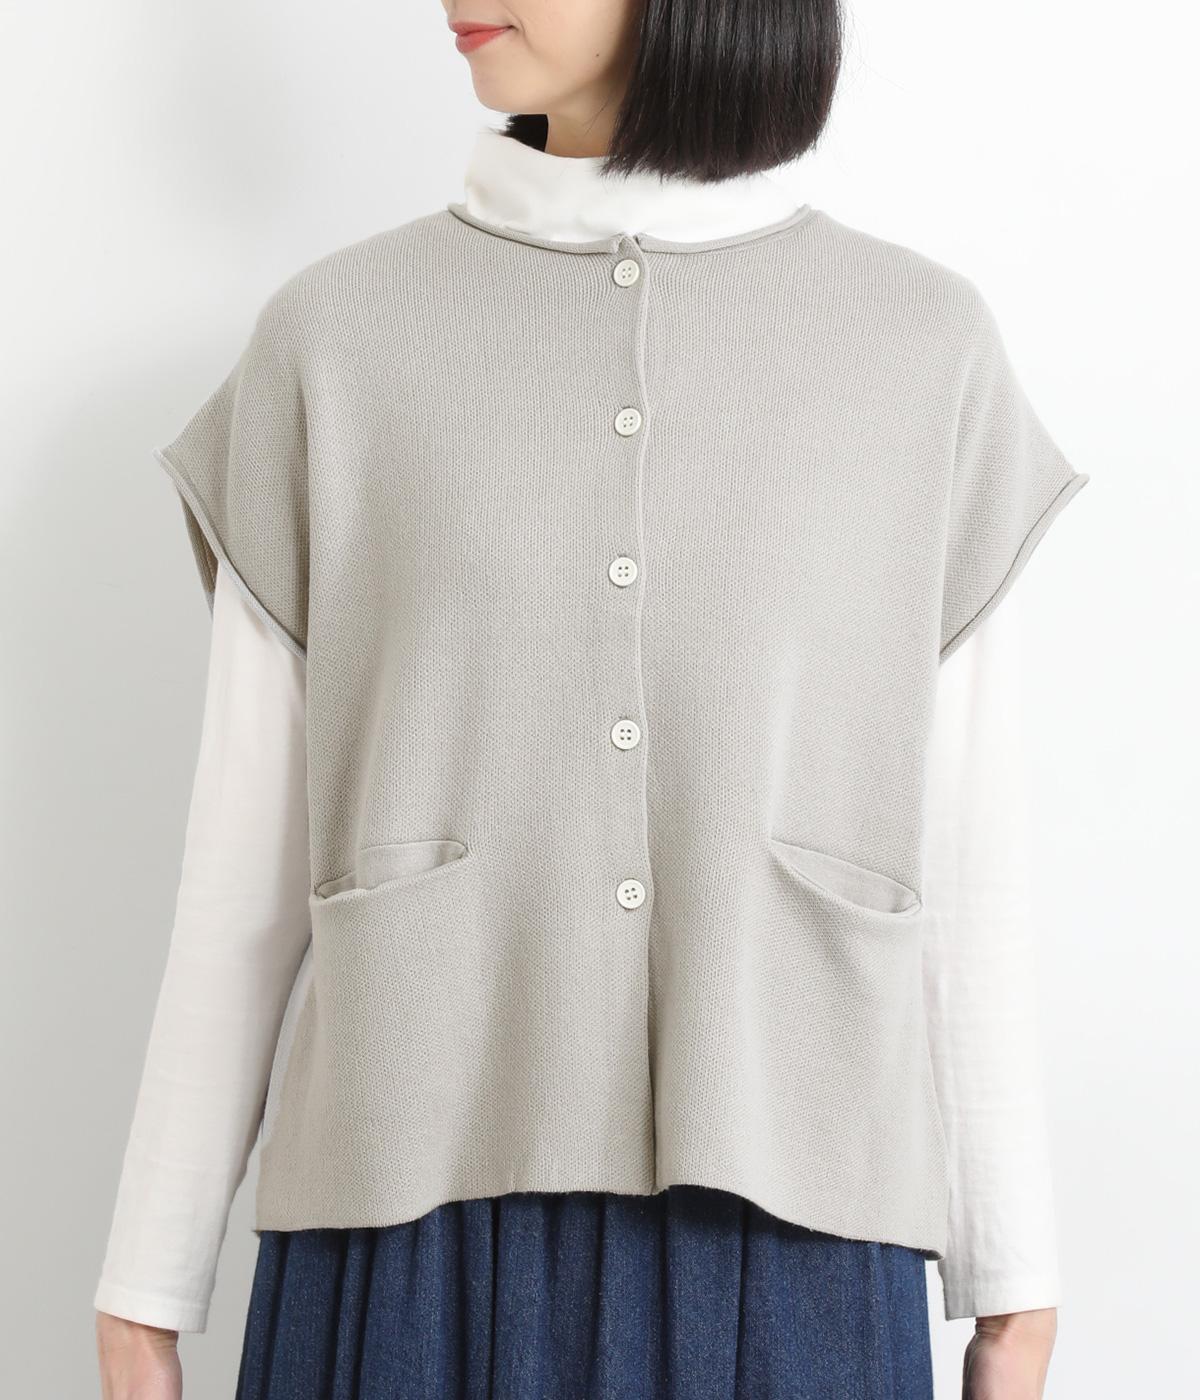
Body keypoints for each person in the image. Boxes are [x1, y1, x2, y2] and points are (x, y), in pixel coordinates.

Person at [95, 3, 1087, 1396]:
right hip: (404, 1231)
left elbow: (964, 866)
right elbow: (243, 874)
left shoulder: (921, 349)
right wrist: (143, 1295)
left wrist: (1014, 1290)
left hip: (797, 1240)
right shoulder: (336, 341)